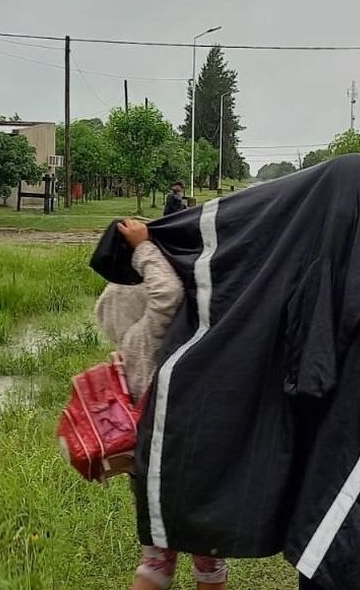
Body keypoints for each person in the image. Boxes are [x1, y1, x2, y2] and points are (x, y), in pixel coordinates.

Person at [95, 218, 228, 590]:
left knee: (156, 558)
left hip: (146, 461)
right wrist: (143, 248)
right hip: (180, 452)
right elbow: (167, 293)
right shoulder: (149, 336)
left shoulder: (125, 349)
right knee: (209, 555)